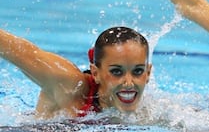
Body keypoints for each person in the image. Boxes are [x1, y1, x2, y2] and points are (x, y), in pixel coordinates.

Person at [0, 26, 152, 118]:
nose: (128, 82)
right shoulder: (69, 85)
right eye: (117, 72)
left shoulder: (152, 112)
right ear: (95, 73)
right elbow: (17, 50)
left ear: (148, 73)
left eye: (138, 71)